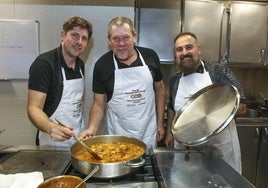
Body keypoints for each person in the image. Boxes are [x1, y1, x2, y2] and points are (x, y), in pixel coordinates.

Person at [164, 32, 247, 173]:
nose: (184, 53)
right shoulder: (175, 80)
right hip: (187, 150)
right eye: (179, 49)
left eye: (189, 47)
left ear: (199, 48)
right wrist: (170, 133)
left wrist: (211, 117)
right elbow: (172, 107)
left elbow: (242, 107)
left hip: (219, 148)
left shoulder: (218, 72)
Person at [79, 16, 166, 149]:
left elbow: (160, 89)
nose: (121, 44)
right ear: (109, 40)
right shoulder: (102, 65)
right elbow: (98, 104)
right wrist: (91, 129)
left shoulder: (150, 56)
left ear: (134, 36)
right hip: (117, 139)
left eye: (126, 37)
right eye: (116, 39)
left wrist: (160, 123)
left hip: (148, 134)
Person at [27, 16, 93, 147]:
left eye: (84, 38)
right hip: (52, 142)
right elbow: (33, 108)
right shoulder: (44, 64)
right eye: (74, 35)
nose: (79, 42)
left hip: (78, 139)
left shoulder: (80, 65)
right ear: (63, 35)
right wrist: (51, 127)